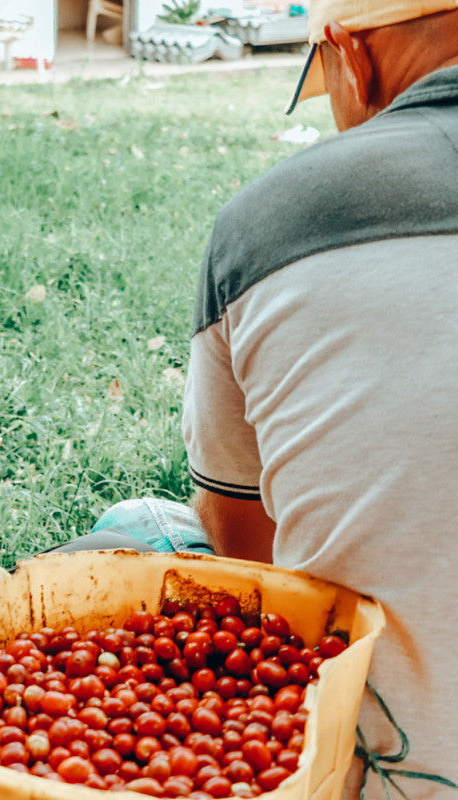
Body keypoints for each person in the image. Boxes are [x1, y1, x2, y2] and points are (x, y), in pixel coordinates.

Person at [180, 0, 458, 796]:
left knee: (139, 531)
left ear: (349, 57)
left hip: (380, 771)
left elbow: (243, 549)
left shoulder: (262, 226)